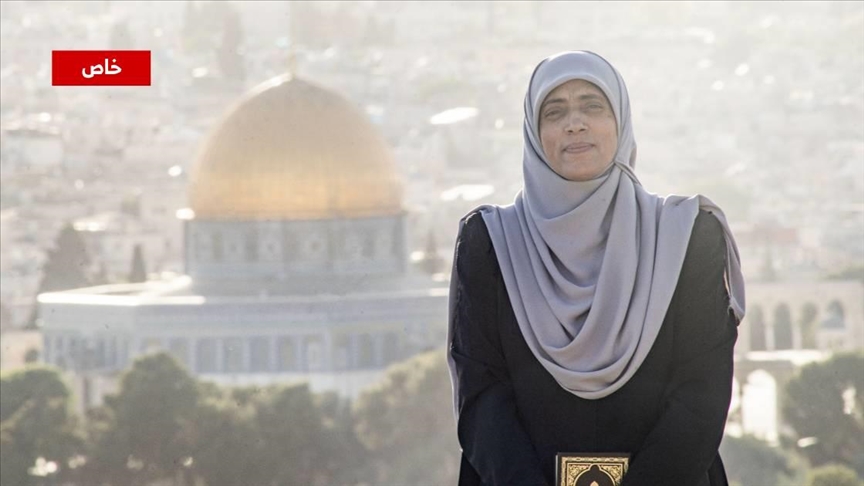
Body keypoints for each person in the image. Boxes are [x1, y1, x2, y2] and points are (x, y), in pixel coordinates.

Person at [446, 51, 746, 486]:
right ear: (534, 133)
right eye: (555, 112)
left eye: (592, 106)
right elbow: (481, 394)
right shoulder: (491, 242)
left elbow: (701, 394)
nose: (575, 124)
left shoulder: (687, 236)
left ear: (620, 122)